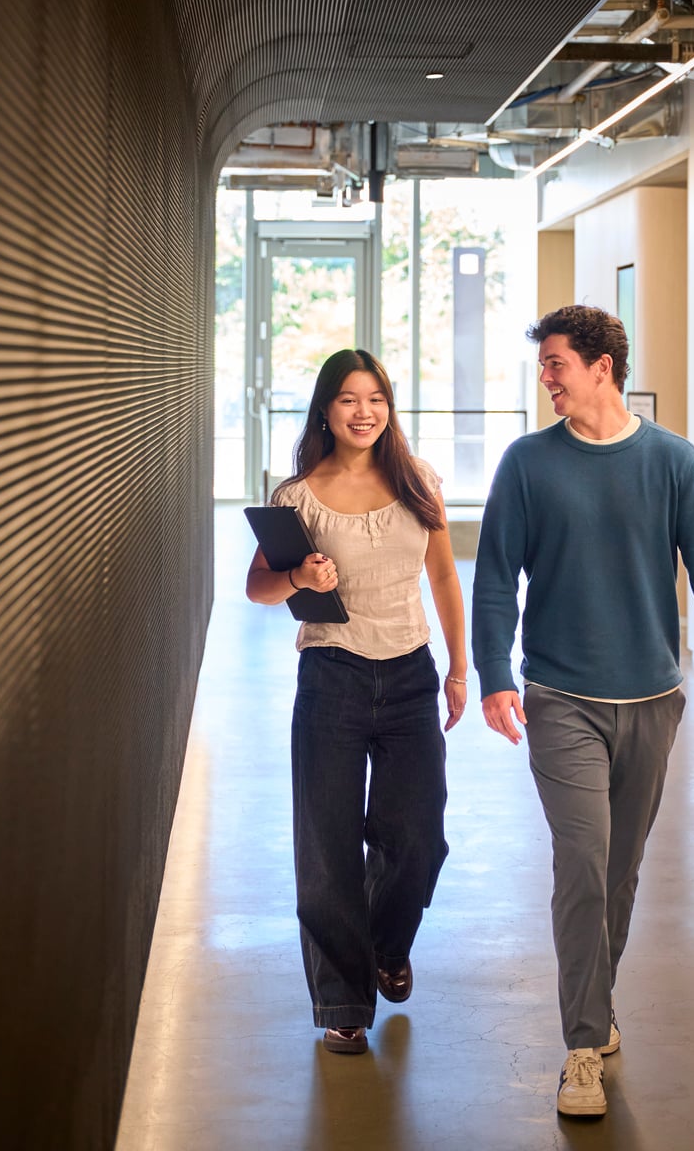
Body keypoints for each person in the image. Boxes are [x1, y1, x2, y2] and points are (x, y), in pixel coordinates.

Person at [471, 305, 694, 1117]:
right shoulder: (528, 464)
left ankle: (595, 1004)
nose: (547, 378)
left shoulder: (673, 461)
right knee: (583, 861)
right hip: (561, 696)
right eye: (544, 365)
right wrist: (494, 672)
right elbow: (496, 577)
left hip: (652, 700)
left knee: (619, 873)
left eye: (557, 363)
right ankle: (580, 1048)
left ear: (602, 366)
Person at [246, 348, 467, 1055]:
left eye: (376, 398)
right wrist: (301, 576)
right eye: (348, 398)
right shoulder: (297, 496)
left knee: (416, 838)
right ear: (325, 409)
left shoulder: (416, 482)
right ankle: (343, 1000)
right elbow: (259, 588)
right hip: (331, 674)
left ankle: (383, 942)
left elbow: (443, 576)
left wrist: (460, 669)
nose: (364, 411)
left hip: (409, 675)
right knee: (327, 845)